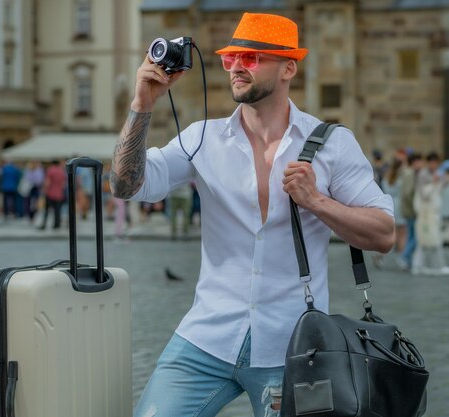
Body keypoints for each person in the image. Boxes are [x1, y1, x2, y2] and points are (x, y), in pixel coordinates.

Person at [110, 12, 394, 416]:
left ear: (288, 67)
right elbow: (125, 186)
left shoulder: (332, 144)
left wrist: (317, 201)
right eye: (231, 58)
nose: (237, 67)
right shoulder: (202, 138)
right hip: (205, 338)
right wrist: (142, 103)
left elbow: (384, 233)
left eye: (252, 57)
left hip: (293, 350)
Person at [411, 152, 449, 275]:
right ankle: (431, 266)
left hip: (433, 212)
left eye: (435, 162)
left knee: (432, 240)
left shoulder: (438, 173)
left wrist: (444, 179)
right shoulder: (423, 174)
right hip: (426, 213)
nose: (433, 164)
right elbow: (423, 194)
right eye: (431, 162)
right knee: (427, 240)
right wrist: (434, 182)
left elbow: (443, 186)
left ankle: (422, 265)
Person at [397, 152, 423, 271]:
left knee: (412, 235)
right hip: (411, 210)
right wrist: (416, 207)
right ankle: (404, 257)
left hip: (409, 209)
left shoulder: (410, 173)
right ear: (415, 162)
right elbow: (408, 193)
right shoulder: (410, 173)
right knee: (415, 236)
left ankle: (407, 260)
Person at [39, 160, 66, 230]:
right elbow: (63, 184)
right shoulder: (61, 171)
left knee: (47, 210)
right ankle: (57, 224)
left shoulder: (50, 170)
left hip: (50, 193)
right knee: (57, 210)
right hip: (59, 193)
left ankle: (44, 224)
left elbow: (47, 182)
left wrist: (44, 190)